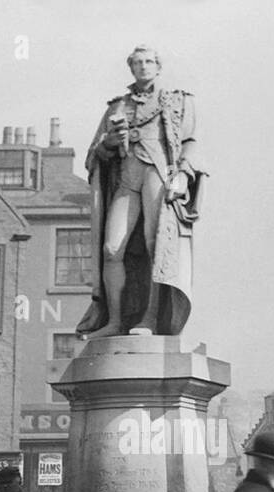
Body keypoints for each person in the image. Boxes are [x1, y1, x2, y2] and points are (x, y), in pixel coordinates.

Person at [76, 44, 202, 339]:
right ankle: (116, 321)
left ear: (158, 67)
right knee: (112, 248)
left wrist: (183, 173)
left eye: (149, 62)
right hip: (126, 180)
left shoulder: (177, 101)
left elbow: (191, 142)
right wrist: (109, 142)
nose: (143, 66)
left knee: (154, 246)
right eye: (137, 62)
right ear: (130, 67)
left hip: (157, 174)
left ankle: (150, 318)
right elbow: (94, 156)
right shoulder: (117, 107)